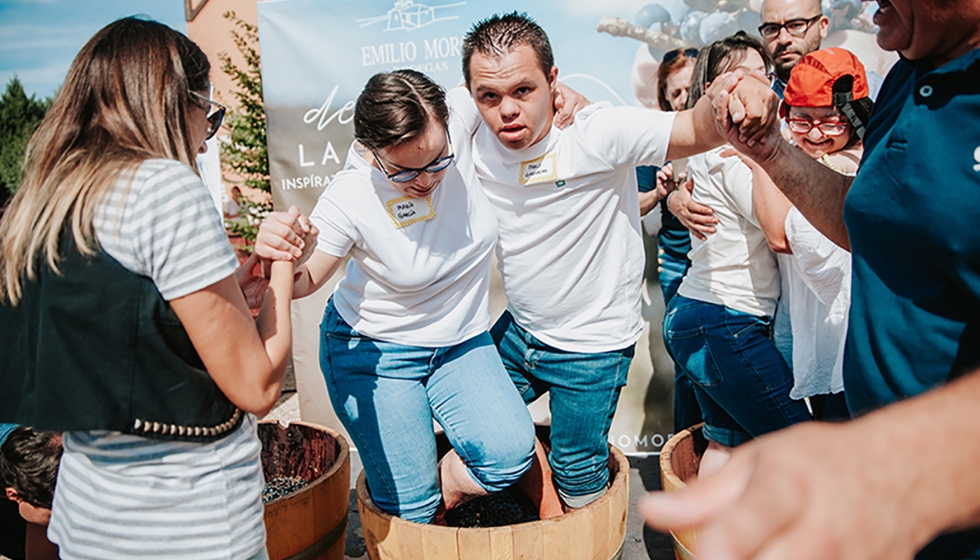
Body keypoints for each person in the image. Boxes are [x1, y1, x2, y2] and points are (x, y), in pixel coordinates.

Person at [641, 2, 980, 559]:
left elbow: (780, 234)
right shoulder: (907, 76)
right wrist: (770, 152)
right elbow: (859, 216)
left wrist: (899, 465)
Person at [0, 18, 298, 560]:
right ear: (171, 101)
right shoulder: (163, 188)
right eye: (208, 113)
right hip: (187, 522)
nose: (206, 138)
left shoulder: (49, 199)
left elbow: (124, 329)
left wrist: (231, 289)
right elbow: (256, 386)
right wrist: (281, 263)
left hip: (90, 515)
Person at [457, 12, 777, 509]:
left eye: (524, 90)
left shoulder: (596, 130)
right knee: (477, 432)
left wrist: (739, 91)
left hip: (592, 347)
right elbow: (401, 123)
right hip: (521, 332)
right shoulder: (469, 126)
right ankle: (541, 521)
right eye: (490, 96)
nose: (507, 110)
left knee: (576, 468)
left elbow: (696, 127)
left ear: (553, 81)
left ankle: (582, 538)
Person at [254, 69, 542, 525]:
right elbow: (307, 279)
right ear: (371, 150)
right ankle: (415, 505)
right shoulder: (350, 195)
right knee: (411, 510)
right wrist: (280, 254)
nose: (426, 180)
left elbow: (511, 87)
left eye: (437, 160)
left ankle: (433, 493)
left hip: (460, 343)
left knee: (508, 457)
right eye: (405, 170)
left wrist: (567, 96)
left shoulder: (461, 111)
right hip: (375, 354)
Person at [661, 34, 812, 478]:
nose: (757, 86)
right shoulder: (731, 154)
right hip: (724, 322)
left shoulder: (714, 152)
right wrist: (767, 157)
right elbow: (780, 231)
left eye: (762, 75)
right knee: (803, 448)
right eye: (741, 76)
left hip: (700, 318)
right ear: (711, 89)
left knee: (727, 446)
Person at [753, 47, 873, 420]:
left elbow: (779, 235)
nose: (816, 134)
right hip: (814, 335)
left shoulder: (853, 163)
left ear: (855, 118)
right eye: (802, 121)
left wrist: (760, 154)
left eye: (832, 122)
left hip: (848, 343)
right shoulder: (799, 153)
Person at [636, 46, 703, 432]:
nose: (683, 98)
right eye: (675, 93)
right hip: (679, 262)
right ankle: (686, 458)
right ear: (666, 101)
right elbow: (637, 205)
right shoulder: (655, 145)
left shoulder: (731, 134)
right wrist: (662, 193)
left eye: (689, 89)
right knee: (687, 363)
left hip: (738, 265)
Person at [759, 0, 831, 97]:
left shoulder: (850, 90)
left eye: (796, 25)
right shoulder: (758, 95)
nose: (783, 39)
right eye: (771, 29)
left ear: (822, 26)